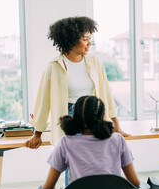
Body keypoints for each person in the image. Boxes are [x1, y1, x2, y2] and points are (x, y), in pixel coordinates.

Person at [25, 16, 129, 150]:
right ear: (71, 40)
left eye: (89, 39)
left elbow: (106, 95)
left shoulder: (95, 62)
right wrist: (37, 134)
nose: (89, 44)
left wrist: (117, 127)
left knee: (97, 160)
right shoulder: (54, 67)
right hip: (69, 120)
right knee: (74, 162)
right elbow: (43, 102)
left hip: (94, 117)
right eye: (85, 39)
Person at [42, 95, 140, 189]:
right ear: (102, 118)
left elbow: (47, 188)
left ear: (75, 119)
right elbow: (135, 183)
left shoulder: (65, 143)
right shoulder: (118, 140)